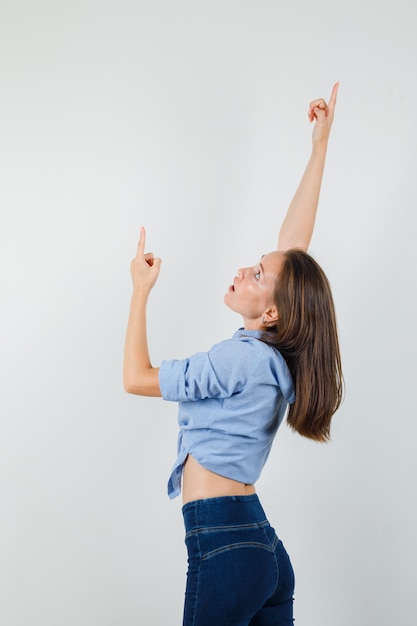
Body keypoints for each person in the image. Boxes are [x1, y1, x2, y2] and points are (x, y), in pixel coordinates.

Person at [123, 82, 343, 626]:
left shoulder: (239, 360)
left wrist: (139, 292)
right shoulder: (278, 355)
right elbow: (294, 249)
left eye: (257, 273)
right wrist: (319, 148)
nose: (245, 270)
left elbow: (135, 377)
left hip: (223, 542)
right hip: (258, 543)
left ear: (271, 311)